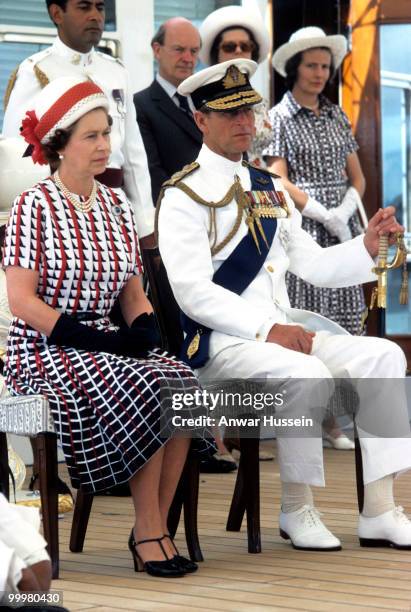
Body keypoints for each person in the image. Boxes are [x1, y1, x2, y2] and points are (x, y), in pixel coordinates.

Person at [157, 58, 411, 552]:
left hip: (282, 336)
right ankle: (297, 509)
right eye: (229, 114)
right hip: (220, 350)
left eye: (248, 111)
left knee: (385, 356)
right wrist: (267, 331)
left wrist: (367, 246)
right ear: (200, 120)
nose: (244, 123)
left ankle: (380, 510)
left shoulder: (268, 187)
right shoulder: (183, 195)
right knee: (306, 371)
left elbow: (312, 264)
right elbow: (191, 291)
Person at [2, 76, 213, 577]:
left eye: (107, 133)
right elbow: (22, 301)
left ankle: (152, 528)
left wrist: (144, 329)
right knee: (146, 385)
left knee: (181, 382)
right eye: (91, 136)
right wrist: (95, 340)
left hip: (108, 341)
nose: (105, 146)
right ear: (59, 146)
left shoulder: (117, 205)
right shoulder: (35, 206)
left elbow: (132, 292)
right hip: (44, 347)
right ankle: (149, 533)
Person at [264, 28, 369, 449]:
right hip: (302, 221)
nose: (320, 73)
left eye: (325, 66)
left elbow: (357, 175)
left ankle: (345, 414)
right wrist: (321, 213)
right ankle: (324, 422)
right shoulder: (279, 116)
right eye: (312, 65)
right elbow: (276, 176)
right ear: (295, 68)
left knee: (346, 315)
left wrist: (344, 212)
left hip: (342, 222)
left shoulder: (336, 114)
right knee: (310, 315)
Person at [2, 0, 155, 247]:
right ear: (56, 13)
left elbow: (133, 153)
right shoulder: (36, 70)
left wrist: (145, 224)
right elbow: (18, 156)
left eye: (100, 7)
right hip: (59, 211)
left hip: (115, 211)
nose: (95, 16)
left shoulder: (116, 71)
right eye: (84, 7)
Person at [133, 18, 203, 205]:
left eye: (194, 51)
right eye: (179, 49)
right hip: (177, 213)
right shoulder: (140, 105)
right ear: (157, 50)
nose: (188, 58)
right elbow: (152, 173)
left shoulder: (207, 100)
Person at [199, 4, 272, 168]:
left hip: (259, 181)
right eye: (230, 47)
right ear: (216, 53)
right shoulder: (204, 99)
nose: (239, 51)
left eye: (245, 46)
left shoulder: (261, 100)